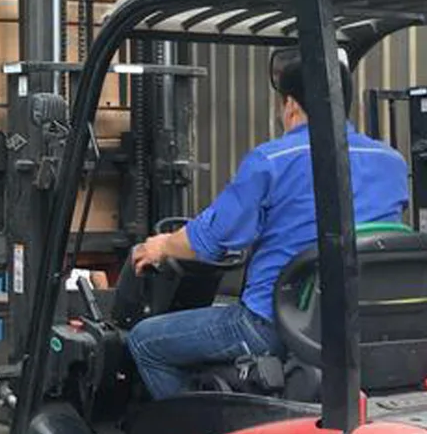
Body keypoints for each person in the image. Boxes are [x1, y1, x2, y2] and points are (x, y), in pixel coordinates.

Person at [126, 54, 408, 400]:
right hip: (360, 325)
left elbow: (210, 240)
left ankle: (202, 420)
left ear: (291, 105)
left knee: (145, 341)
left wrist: (161, 246)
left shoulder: (271, 161)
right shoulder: (391, 162)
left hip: (277, 326)